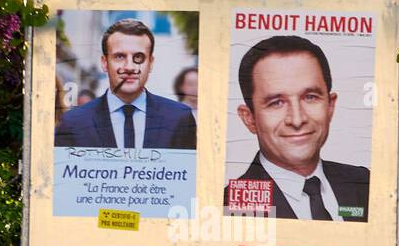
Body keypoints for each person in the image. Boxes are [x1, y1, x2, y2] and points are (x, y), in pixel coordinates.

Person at [226, 35, 369, 221]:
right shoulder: (230, 204)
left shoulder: (363, 183)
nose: (297, 119)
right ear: (249, 118)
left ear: (330, 105)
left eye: (310, 97)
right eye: (276, 102)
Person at [54, 18, 196, 150]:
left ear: (150, 63)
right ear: (104, 63)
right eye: (120, 56)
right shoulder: (73, 123)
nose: (129, 67)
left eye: (138, 57)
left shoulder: (179, 118)